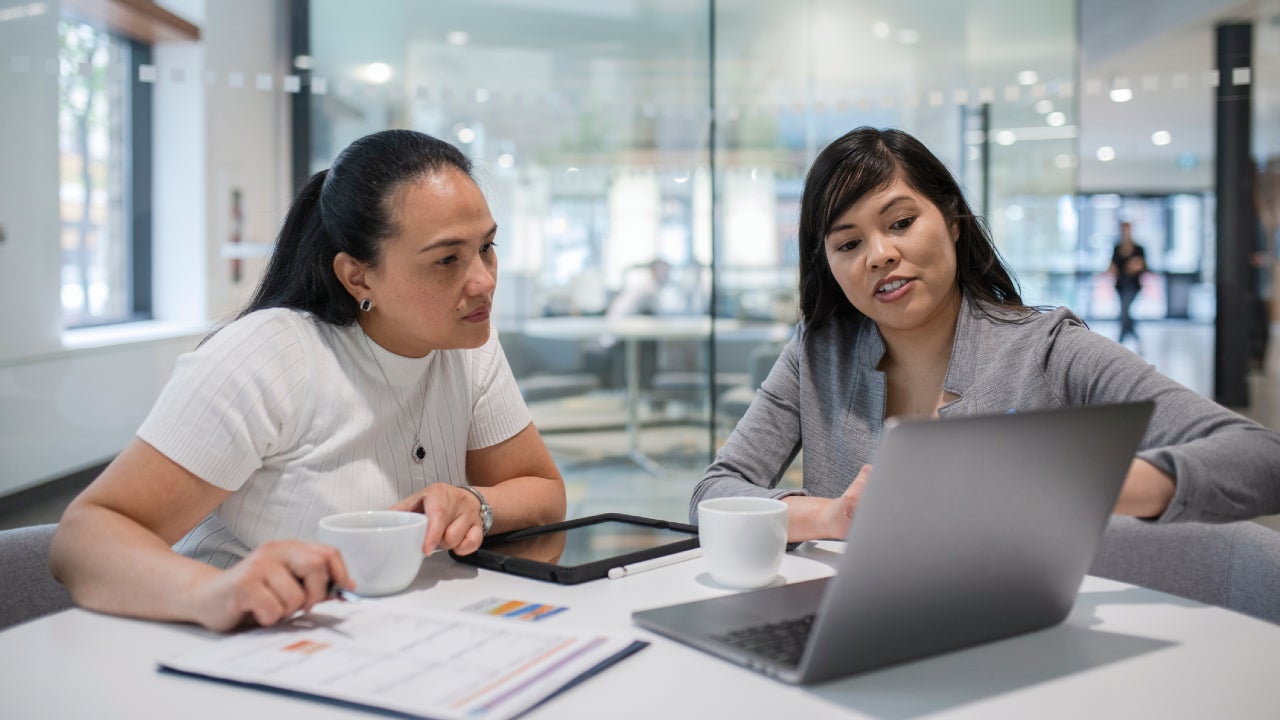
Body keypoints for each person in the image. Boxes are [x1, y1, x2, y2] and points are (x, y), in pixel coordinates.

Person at [49, 129, 566, 631]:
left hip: (393, 637)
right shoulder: (270, 355)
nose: (483, 280)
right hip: (243, 645)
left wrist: (475, 503)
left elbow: (543, 493)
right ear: (358, 276)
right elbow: (84, 537)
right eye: (448, 259)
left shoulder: (466, 342)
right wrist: (207, 590)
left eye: (488, 248)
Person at [690, 126, 1280, 543]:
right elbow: (713, 494)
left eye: (900, 222)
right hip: (851, 627)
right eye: (848, 244)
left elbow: (1258, 460)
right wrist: (830, 517)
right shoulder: (816, 358)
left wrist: (1071, 483)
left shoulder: (1046, 349)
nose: (880, 255)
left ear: (950, 220)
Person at [1107, 221, 1146, 345]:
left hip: (1133, 286)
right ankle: (1133, 337)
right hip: (1120, 285)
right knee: (1125, 312)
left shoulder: (1138, 249)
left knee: (1124, 312)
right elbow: (1112, 267)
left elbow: (1145, 266)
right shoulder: (1117, 248)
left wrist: (1137, 266)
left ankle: (1121, 339)